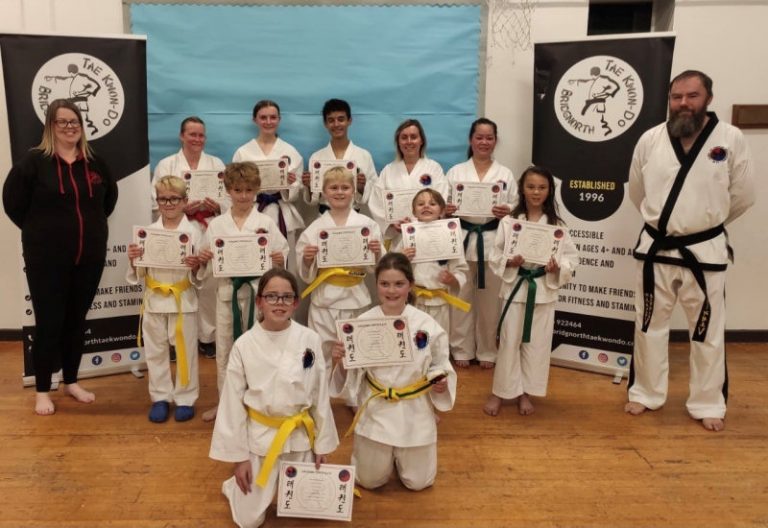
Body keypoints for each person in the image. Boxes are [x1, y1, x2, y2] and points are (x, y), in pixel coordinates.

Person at [625, 70, 755, 432]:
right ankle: (646, 392)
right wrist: (665, 223)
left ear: (708, 99)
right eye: (676, 97)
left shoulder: (730, 138)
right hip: (656, 248)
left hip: (704, 252)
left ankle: (708, 402)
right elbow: (637, 191)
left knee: (707, 331)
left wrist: (704, 225)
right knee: (648, 325)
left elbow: (743, 195)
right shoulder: (651, 139)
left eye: (692, 96)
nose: (683, 103)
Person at [3, 98, 118, 415]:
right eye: (62, 121)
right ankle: (43, 390)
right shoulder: (34, 162)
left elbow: (108, 200)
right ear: (50, 127)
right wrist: (42, 231)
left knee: (76, 322)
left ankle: (71, 381)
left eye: (75, 121)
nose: (70, 127)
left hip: (89, 257)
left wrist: (91, 228)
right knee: (49, 324)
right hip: (47, 261)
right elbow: (13, 203)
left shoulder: (94, 162)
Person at [209, 268, 339, 528]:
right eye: (271, 296)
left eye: (286, 297)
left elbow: (319, 395)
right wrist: (239, 458)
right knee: (249, 521)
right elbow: (232, 405)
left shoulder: (310, 339)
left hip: (299, 436)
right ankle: (233, 488)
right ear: (259, 302)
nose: (279, 303)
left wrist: (322, 446)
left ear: (295, 302)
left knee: (308, 509)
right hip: (261, 438)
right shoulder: (244, 345)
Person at [331, 253, 456, 491]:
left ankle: (401, 458)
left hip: (414, 411)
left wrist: (440, 381)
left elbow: (440, 365)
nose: (391, 291)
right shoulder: (362, 323)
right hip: (377, 410)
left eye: (399, 284)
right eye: (385, 284)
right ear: (376, 284)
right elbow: (352, 377)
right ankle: (387, 457)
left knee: (419, 483)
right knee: (369, 480)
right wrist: (341, 361)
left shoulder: (427, 325)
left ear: (410, 285)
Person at [199, 162, 289, 423]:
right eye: (237, 190)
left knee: (260, 349)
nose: (243, 196)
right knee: (225, 350)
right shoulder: (217, 225)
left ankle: (259, 403)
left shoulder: (266, 222)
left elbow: (282, 252)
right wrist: (204, 259)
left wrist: (278, 258)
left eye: (249, 190)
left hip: (257, 295)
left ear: (256, 190)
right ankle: (225, 405)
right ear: (228, 190)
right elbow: (204, 261)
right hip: (227, 293)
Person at [485, 166, 578, 416]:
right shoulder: (509, 222)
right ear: (522, 189)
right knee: (509, 342)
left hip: (543, 291)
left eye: (542, 187)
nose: (536, 192)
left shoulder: (557, 225)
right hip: (515, 289)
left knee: (536, 345)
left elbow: (571, 258)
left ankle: (525, 392)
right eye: (531, 187)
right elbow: (495, 254)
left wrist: (557, 267)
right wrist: (509, 262)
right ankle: (500, 392)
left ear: (549, 191)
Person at [127, 176, 208, 423]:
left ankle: (185, 398)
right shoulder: (147, 233)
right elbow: (139, 273)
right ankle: (160, 396)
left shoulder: (195, 233)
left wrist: (197, 265)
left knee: (186, 352)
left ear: (184, 201)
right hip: (154, 299)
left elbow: (201, 274)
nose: (169, 204)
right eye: (163, 199)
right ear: (157, 201)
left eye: (174, 199)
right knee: (155, 351)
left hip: (183, 299)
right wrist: (134, 259)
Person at [445, 118, 517, 369]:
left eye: (489, 138)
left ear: (495, 141)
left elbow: (516, 205)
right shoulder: (456, 172)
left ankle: (487, 350)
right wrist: (447, 209)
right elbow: (442, 203)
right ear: (470, 140)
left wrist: (507, 210)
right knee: (460, 297)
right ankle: (461, 348)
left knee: (490, 303)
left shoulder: (505, 174)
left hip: (492, 239)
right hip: (461, 239)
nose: (484, 142)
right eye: (479, 137)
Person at [152, 116, 226, 360]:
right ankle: (175, 340)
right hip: (178, 228)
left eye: (201, 135)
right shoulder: (166, 165)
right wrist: (183, 208)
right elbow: (156, 200)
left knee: (210, 283)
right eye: (192, 134)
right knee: (180, 280)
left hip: (209, 227)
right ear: (181, 136)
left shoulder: (216, 163)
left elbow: (228, 199)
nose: (197, 139)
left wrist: (218, 206)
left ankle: (207, 337)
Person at [296, 166, 382, 374]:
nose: (340, 192)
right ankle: (320, 392)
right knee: (320, 351)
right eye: (333, 188)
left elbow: (377, 267)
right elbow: (304, 270)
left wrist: (377, 252)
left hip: (356, 296)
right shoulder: (315, 228)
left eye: (345, 187)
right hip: (324, 298)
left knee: (356, 349)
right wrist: (307, 259)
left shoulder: (367, 225)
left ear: (353, 190)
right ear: (324, 192)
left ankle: (354, 392)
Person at [232, 100, 304, 272]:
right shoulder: (243, 152)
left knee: (282, 261)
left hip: (282, 212)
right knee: (253, 262)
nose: (268, 121)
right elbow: (233, 184)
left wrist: (289, 184)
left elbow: (297, 187)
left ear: (279, 119)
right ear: (255, 120)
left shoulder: (290, 151)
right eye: (263, 117)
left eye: (273, 117)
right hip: (251, 211)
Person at [393, 188, 469, 334]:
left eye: (432, 204)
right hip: (413, 300)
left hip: (439, 302)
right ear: (414, 212)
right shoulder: (407, 235)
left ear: (442, 211)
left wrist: (453, 279)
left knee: (438, 338)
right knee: (413, 337)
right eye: (421, 204)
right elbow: (392, 266)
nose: (426, 206)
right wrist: (401, 257)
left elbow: (460, 269)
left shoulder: (451, 236)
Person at [368, 119, 449, 247]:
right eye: (404, 137)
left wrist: (422, 220)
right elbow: (376, 203)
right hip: (398, 238)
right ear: (398, 142)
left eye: (414, 137)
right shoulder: (388, 171)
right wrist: (392, 224)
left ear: (421, 141)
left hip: (429, 236)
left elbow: (441, 200)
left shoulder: (434, 169)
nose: (409, 141)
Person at [302, 98, 378, 212]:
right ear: (325, 124)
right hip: (325, 216)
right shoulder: (316, 157)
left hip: (353, 217)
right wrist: (309, 186)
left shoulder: (364, 156)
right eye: (331, 120)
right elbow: (313, 201)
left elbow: (375, 193)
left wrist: (361, 188)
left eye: (341, 119)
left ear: (349, 121)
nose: (336, 124)